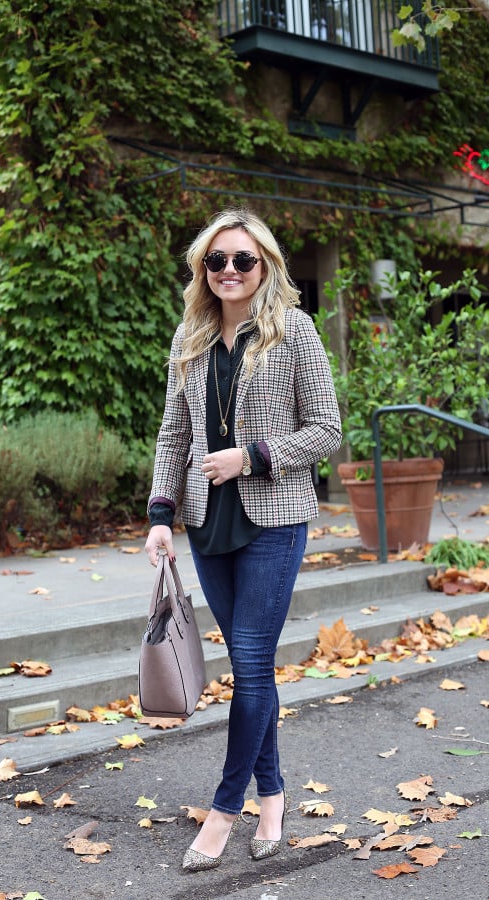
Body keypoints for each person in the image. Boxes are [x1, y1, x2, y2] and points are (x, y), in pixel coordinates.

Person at [144, 208, 342, 872]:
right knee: (251, 669)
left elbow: (326, 430)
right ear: (204, 270)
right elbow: (174, 435)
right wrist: (159, 516)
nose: (229, 271)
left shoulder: (296, 333)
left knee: (252, 666)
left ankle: (226, 810)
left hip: (274, 519)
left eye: (243, 260)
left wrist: (251, 456)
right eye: (217, 261)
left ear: (266, 268)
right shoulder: (190, 337)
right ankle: (275, 797)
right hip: (207, 524)